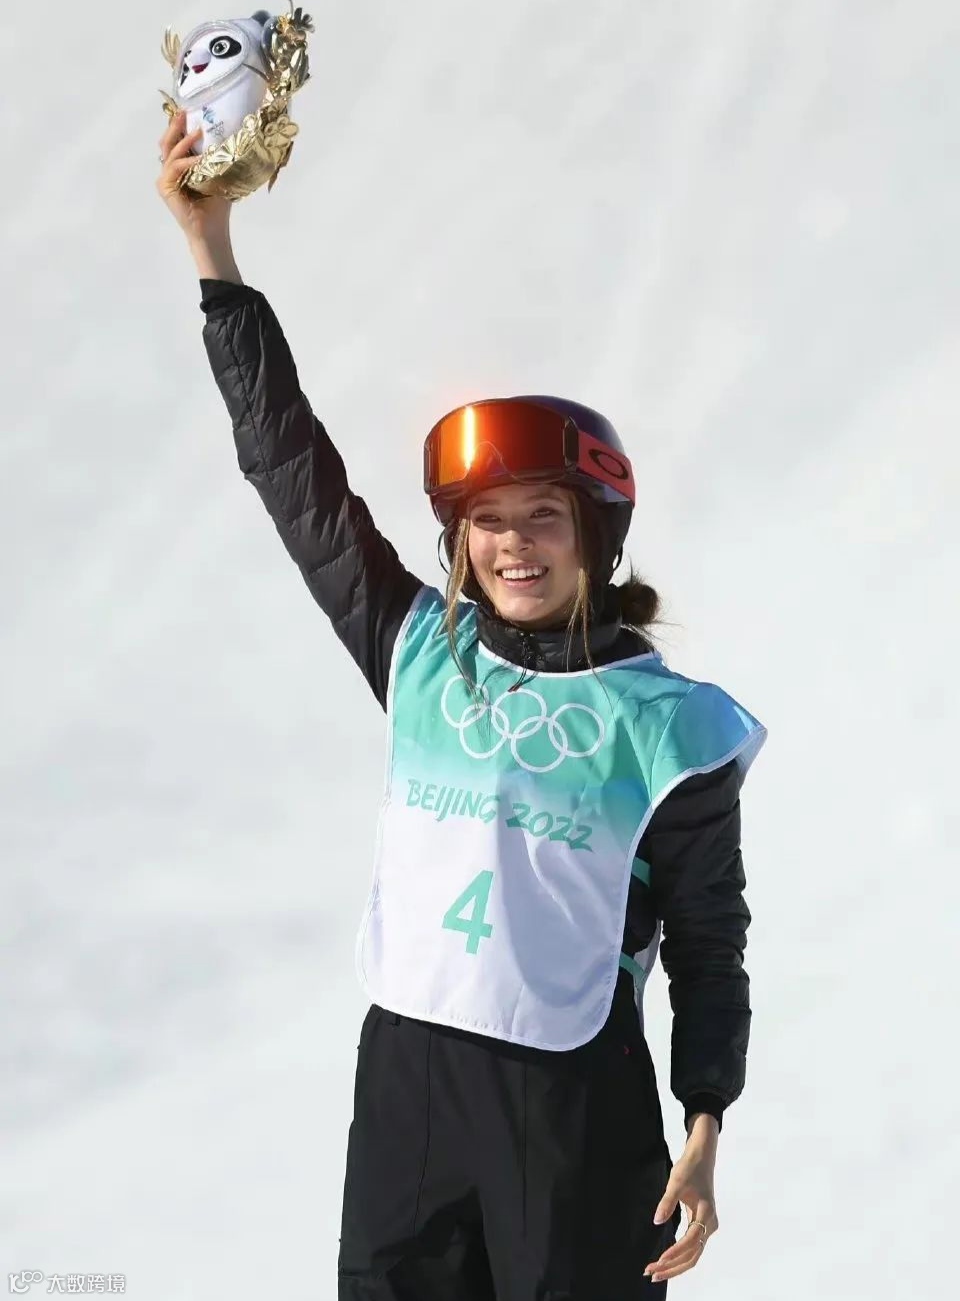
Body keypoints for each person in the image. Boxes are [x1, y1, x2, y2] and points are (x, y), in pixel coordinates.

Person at [157, 110, 767, 1300]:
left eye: (543, 516)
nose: (513, 544)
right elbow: (291, 470)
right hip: (409, 1087)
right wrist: (211, 252)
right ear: (460, 541)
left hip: (573, 1105)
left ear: (596, 534)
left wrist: (705, 1117)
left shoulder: (670, 727)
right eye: (487, 521)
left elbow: (709, 938)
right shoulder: (419, 652)